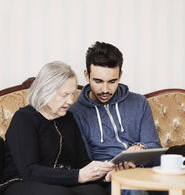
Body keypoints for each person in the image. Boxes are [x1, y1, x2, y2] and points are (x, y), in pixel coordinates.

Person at [0, 61, 115, 195]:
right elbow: (29, 171)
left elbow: (82, 162)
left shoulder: (69, 118)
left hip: (60, 182)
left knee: (95, 191)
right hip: (20, 182)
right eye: (64, 95)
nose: (71, 101)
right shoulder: (24, 119)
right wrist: (78, 175)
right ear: (45, 91)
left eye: (72, 94)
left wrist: (103, 175)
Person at [70, 41, 162, 194]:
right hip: (110, 180)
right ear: (87, 75)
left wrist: (140, 149)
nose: (105, 90)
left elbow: (155, 146)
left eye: (112, 81)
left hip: (145, 173)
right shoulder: (75, 113)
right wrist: (110, 170)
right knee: (132, 190)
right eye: (98, 81)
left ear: (120, 75)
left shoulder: (139, 102)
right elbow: (83, 162)